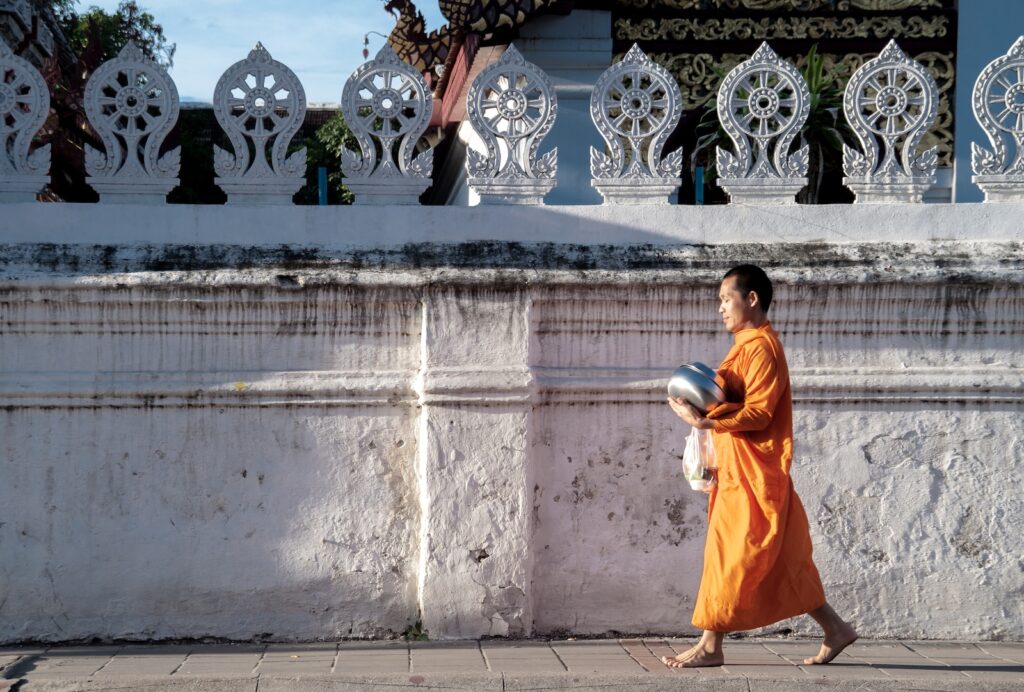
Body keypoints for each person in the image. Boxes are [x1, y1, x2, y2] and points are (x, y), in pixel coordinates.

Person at [664, 264, 857, 668]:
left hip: (755, 475)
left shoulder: (761, 348)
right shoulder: (745, 345)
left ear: (751, 299)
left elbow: (759, 414)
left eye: (726, 299)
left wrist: (706, 421)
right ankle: (836, 629)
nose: (720, 308)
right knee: (784, 561)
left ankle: (710, 646)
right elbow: (730, 396)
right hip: (740, 470)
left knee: (730, 556)